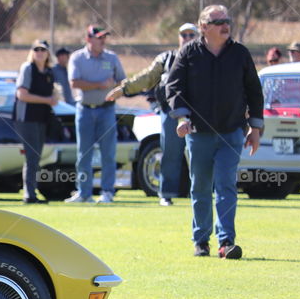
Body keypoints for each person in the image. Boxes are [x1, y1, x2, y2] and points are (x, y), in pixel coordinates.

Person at [166, 4, 264, 259]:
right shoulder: (188, 53)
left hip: (231, 132)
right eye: (218, 20)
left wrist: (255, 127)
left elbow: (254, 90)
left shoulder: (240, 53)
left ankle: (226, 242)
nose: (225, 24)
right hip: (198, 134)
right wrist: (181, 118)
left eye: (227, 19)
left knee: (226, 186)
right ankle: (201, 241)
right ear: (203, 27)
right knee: (200, 187)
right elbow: (174, 88)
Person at [107, 22, 198, 206]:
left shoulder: (205, 58)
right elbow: (147, 77)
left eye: (191, 35)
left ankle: (199, 194)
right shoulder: (166, 58)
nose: (187, 38)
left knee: (199, 154)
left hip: (199, 115)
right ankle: (166, 193)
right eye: (184, 35)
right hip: (171, 113)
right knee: (170, 153)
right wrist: (124, 89)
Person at [66, 25, 125, 203]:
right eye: (98, 38)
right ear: (89, 39)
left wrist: (114, 87)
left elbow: (122, 81)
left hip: (107, 109)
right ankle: (84, 193)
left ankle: (107, 192)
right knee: (84, 153)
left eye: (103, 38)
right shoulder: (77, 58)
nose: (102, 41)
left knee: (108, 153)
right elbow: (74, 82)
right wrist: (99, 85)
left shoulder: (111, 57)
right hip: (84, 110)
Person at [14, 39, 59, 203]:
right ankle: (29, 194)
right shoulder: (28, 68)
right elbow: (22, 94)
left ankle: (32, 191)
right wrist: (47, 100)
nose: (39, 53)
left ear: (48, 53)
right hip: (27, 119)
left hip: (41, 118)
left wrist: (54, 98)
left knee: (37, 157)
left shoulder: (48, 72)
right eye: (36, 49)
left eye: (43, 50)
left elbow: (52, 93)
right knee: (32, 157)